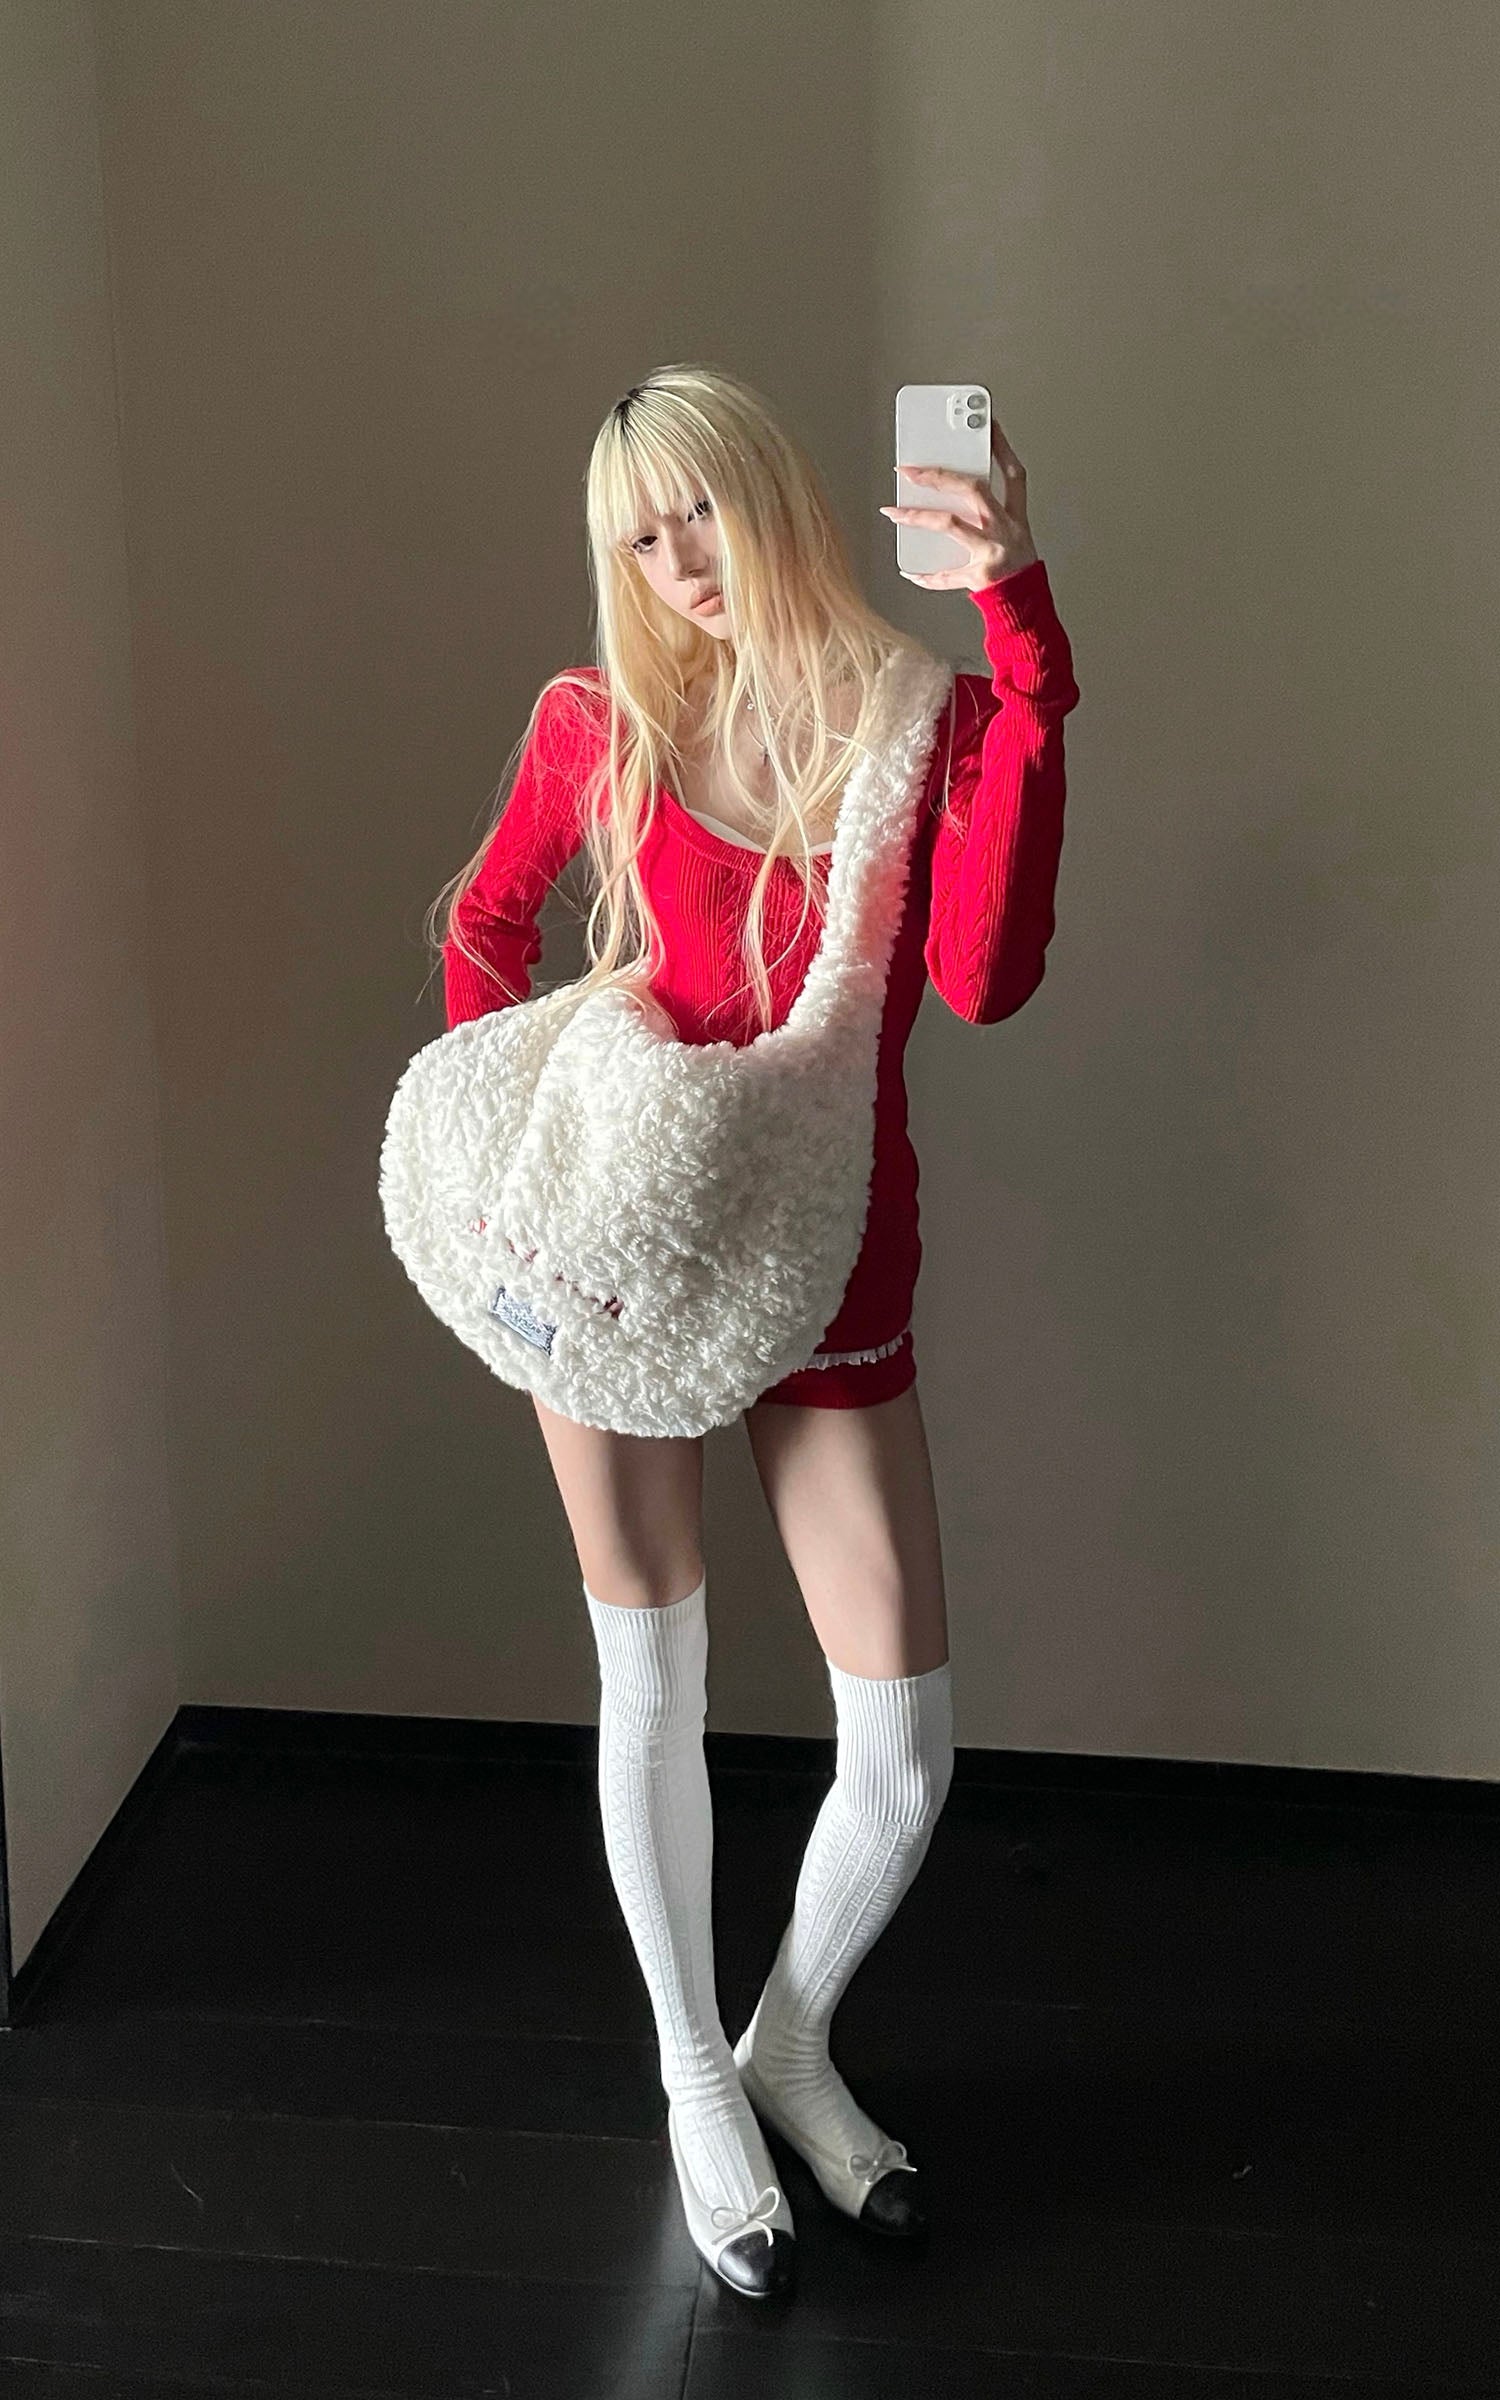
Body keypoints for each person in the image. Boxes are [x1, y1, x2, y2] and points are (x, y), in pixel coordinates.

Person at [427, 364, 1080, 2299]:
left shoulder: (917, 720)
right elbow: (483, 926)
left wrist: (1023, 644)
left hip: (830, 1262)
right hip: (624, 1262)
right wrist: (522, 1164)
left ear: (774, 493)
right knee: (653, 1682)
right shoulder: (602, 723)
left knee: (905, 1751)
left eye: (698, 510)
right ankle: (693, 2075)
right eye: (640, 537)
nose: (678, 563)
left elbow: (985, 976)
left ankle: (785, 2040)